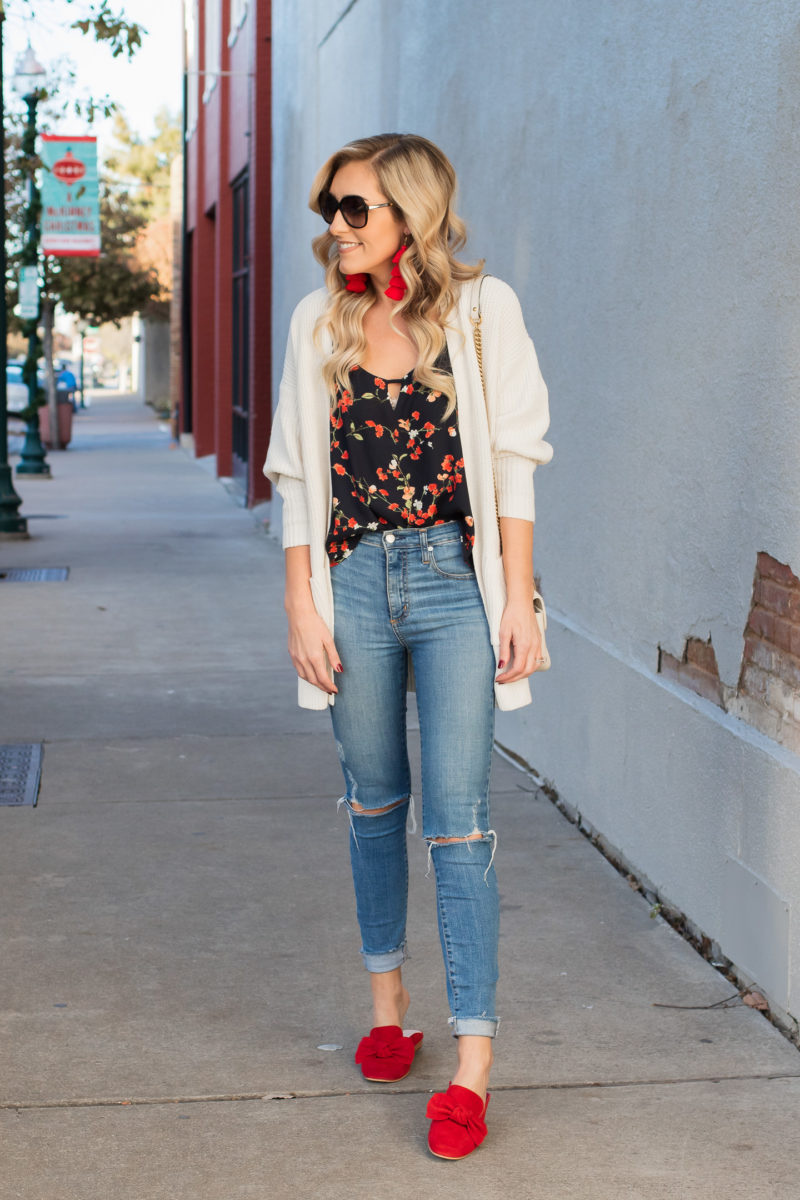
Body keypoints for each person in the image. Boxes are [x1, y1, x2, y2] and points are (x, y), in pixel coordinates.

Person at [264, 133, 552, 1160]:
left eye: (352, 209)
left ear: (408, 214)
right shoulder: (316, 322)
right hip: (349, 582)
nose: (332, 227)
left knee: (459, 822)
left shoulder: (479, 313)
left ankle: (472, 1062)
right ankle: (388, 1012)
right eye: (330, 209)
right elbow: (297, 477)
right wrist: (300, 601)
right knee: (373, 798)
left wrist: (519, 600)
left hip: (451, 584)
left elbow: (512, 463)